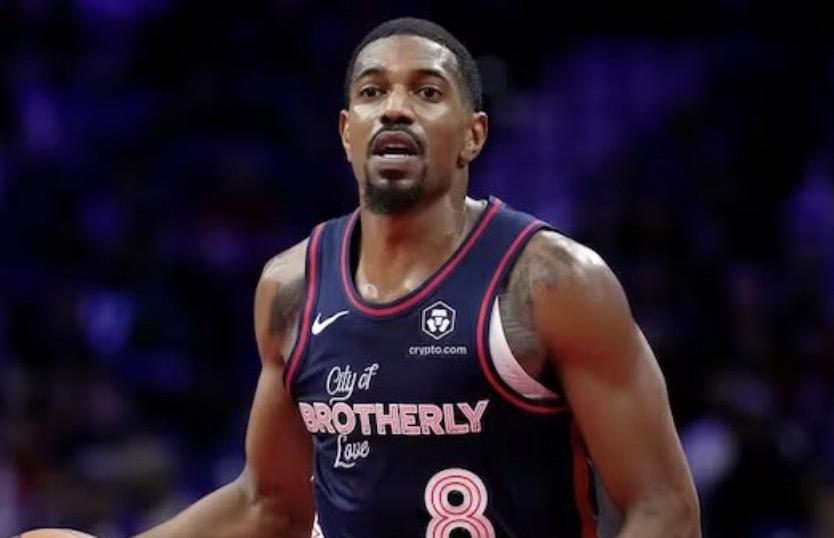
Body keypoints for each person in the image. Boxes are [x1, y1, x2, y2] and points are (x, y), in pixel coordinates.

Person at [137, 17, 700, 538]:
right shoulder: (291, 287)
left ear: (473, 135)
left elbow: (664, 505)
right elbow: (270, 503)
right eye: (372, 92)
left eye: (427, 92)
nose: (395, 110)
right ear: (347, 133)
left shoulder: (550, 282)